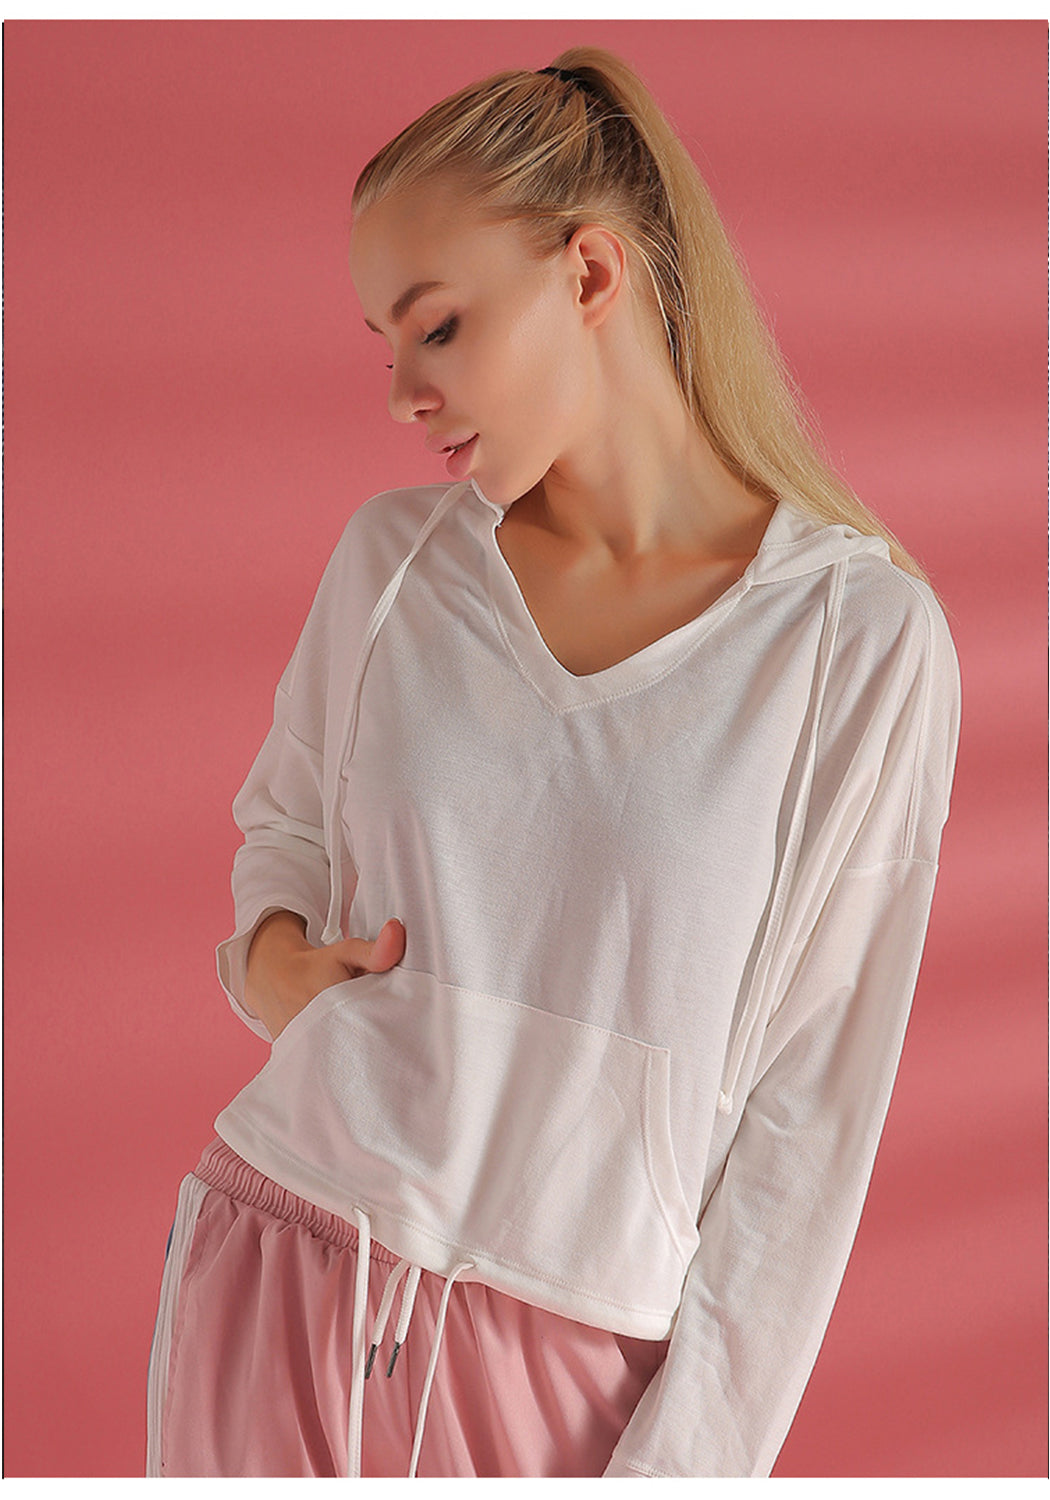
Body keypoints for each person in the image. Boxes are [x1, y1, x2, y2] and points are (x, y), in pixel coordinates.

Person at [145, 46, 961, 1479]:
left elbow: (807, 1130)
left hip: (566, 1370)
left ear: (589, 273)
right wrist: (266, 960)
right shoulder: (392, 566)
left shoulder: (852, 642)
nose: (402, 392)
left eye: (438, 327)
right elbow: (282, 828)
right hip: (279, 1265)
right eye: (385, 345)